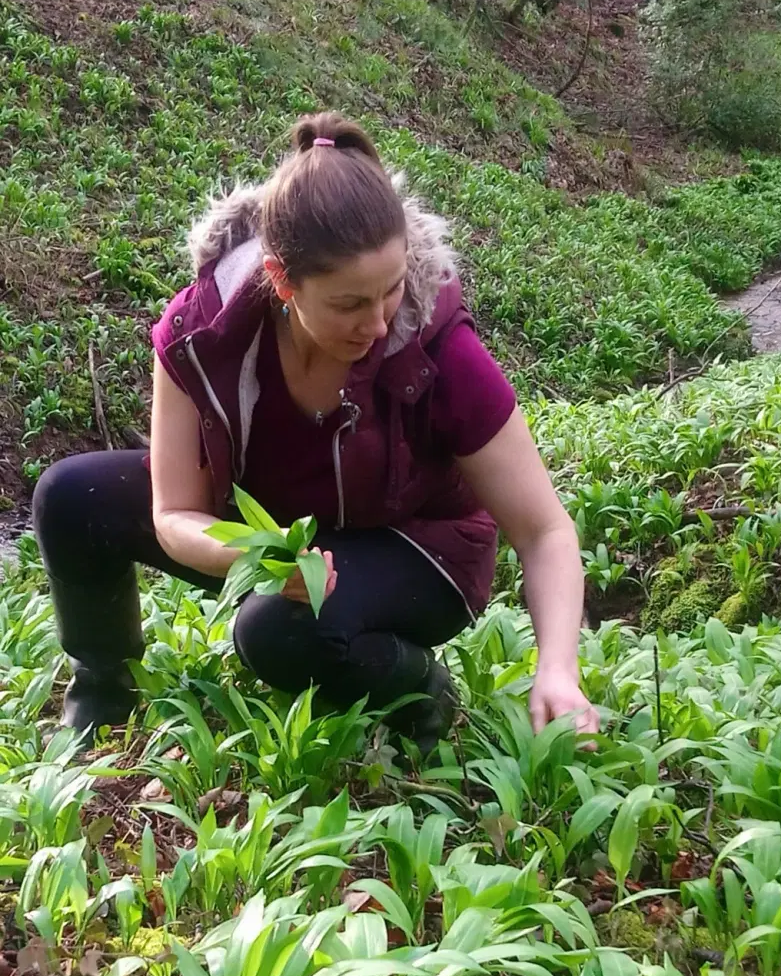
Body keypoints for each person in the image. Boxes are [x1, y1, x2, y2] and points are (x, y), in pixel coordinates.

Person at [32, 112, 599, 751]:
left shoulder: (435, 344)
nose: (378, 323)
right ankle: (102, 699)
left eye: (390, 290)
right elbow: (175, 513)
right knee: (72, 497)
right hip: (284, 532)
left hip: (418, 549)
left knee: (275, 630)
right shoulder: (202, 333)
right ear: (281, 279)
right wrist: (264, 559)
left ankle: (418, 686)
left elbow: (544, 530)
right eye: (349, 304)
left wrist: (558, 669)